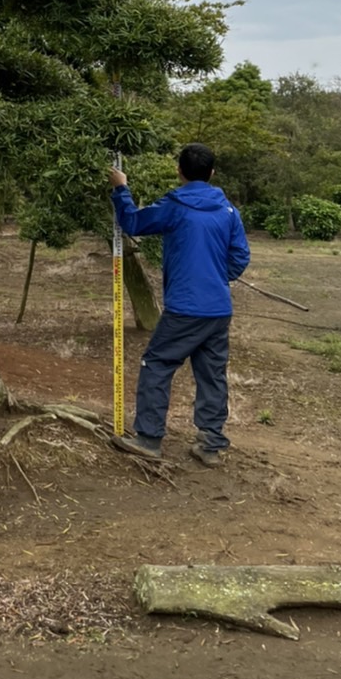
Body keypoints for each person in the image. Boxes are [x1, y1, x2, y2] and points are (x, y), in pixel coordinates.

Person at [108, 142, 250, 466]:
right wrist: (216, 277)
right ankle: (211, 445)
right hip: (218, 310)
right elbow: (240, 255)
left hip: (186, 308)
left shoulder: (175, 206)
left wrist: (121, 189)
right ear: (212, 173)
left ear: (179, 171)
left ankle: (148, 438)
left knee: (156, 364)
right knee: (212, 374)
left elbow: (133, 222)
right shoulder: (228, 211)